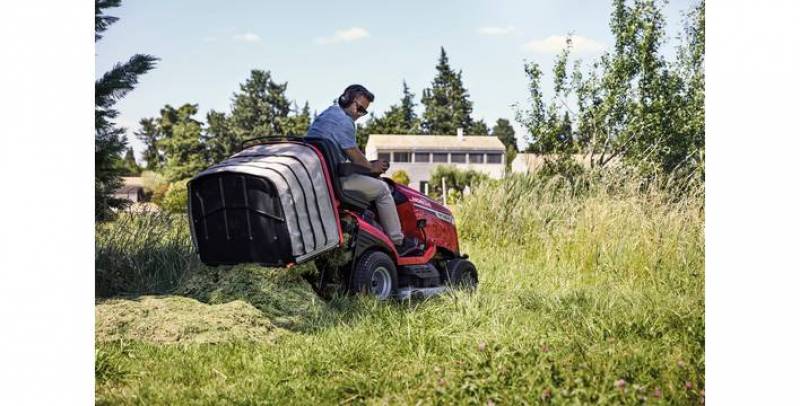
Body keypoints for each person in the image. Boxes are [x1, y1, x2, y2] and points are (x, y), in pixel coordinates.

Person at [306, 84, 419, 256]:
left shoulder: (327, 114)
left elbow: (350, 158)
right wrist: (373, 166)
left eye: (363, 112)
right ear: (346, 99)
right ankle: (398, 242)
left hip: (321, 176)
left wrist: (368, 165)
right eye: (359, 108)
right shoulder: (345, 121)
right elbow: (356, 157)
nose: (359, 115)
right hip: (334, 182)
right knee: (382, 189)